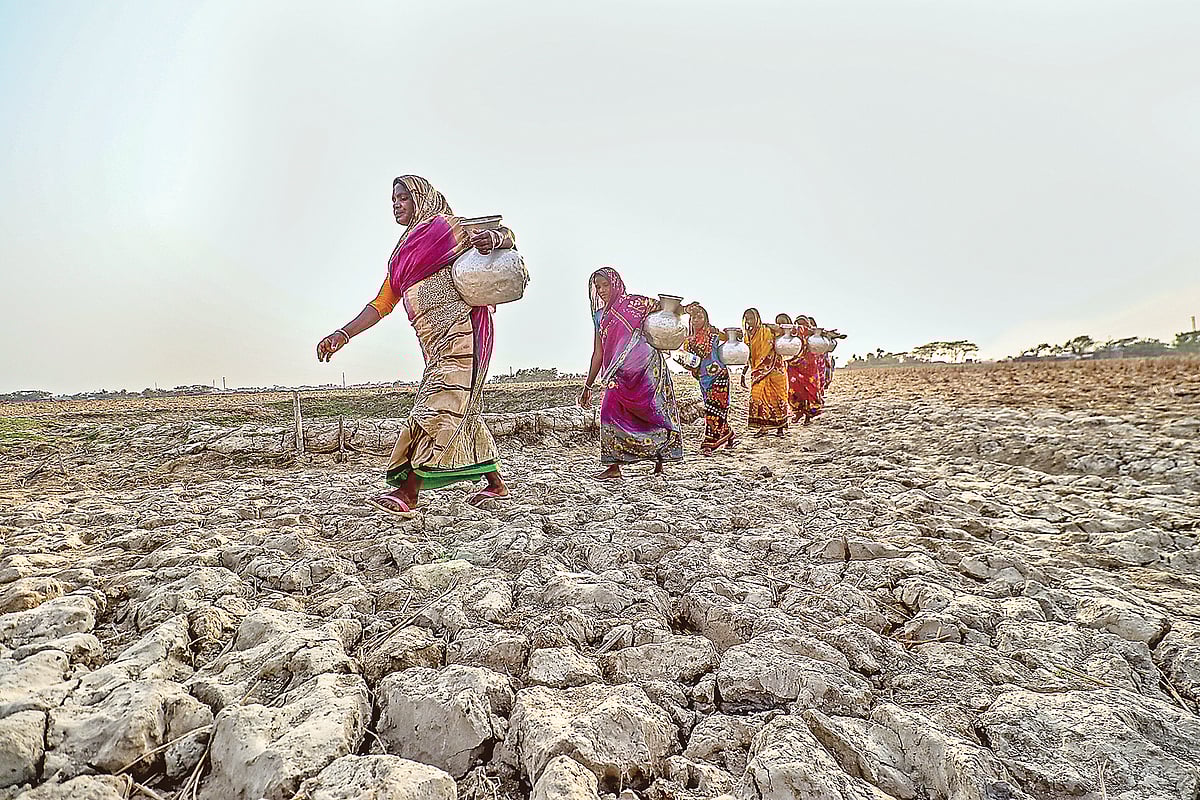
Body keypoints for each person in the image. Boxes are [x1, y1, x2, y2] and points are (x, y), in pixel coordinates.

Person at [316, 175, 513, 516]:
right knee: (461, 410)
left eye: (403, 198)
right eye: (393, 199)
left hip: (465, 332)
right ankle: (496, 485)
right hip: (435, 344)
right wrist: (342, 334)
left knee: (435, 406)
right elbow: (380, 304)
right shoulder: (401, 256)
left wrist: (493, 238)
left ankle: (409, 493)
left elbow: (507, 236)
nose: (396, 204)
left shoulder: (446, 230)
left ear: (421, 198)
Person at [579, 267, 683, 479]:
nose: (601, 290)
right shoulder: (600, 316)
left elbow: (666, 314)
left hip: (647, 371)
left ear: (615, 283)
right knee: (609, 411)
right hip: (618, 376)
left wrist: (680, 310)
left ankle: (660, 460)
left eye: (605, 285)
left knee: (655, 412)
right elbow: (598, 353)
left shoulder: (637, 304)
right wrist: (587, 386)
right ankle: (614, 466)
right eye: (598, 287)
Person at [680, 303, 735, 454]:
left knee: (714, 410)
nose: (696, 320)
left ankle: (709, 443)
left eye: (700, 317)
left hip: (720, 376)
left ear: (706, 319)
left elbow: (731, 340)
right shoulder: (689, 340)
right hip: (703, 379)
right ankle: (728, 433)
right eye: (693, 318)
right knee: (713, 409)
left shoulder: (714, 335)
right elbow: (689, 361)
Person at [740, 308, 789, 436]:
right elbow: (747, 356)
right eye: (747, 319)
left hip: (775, 369)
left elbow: (783, 331)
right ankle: (763, 428)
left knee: (778, 397)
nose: (750, 321)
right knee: (757, 397)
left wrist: (773, 326)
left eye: (752, 318)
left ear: (757, 318)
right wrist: (743, 373)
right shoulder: (748, 335)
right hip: (757, 371)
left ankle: (781, 427)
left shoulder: (767, 330)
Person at [789, 314, 828, 424]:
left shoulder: (811, 334)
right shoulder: (793, 334)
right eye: (799, 324)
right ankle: (797, 412)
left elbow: (825, 335)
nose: (801, 327)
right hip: (794, 365)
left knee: (809, 391)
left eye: (804, 324)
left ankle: (808, 416)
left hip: (809, 366)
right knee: (794, 389)